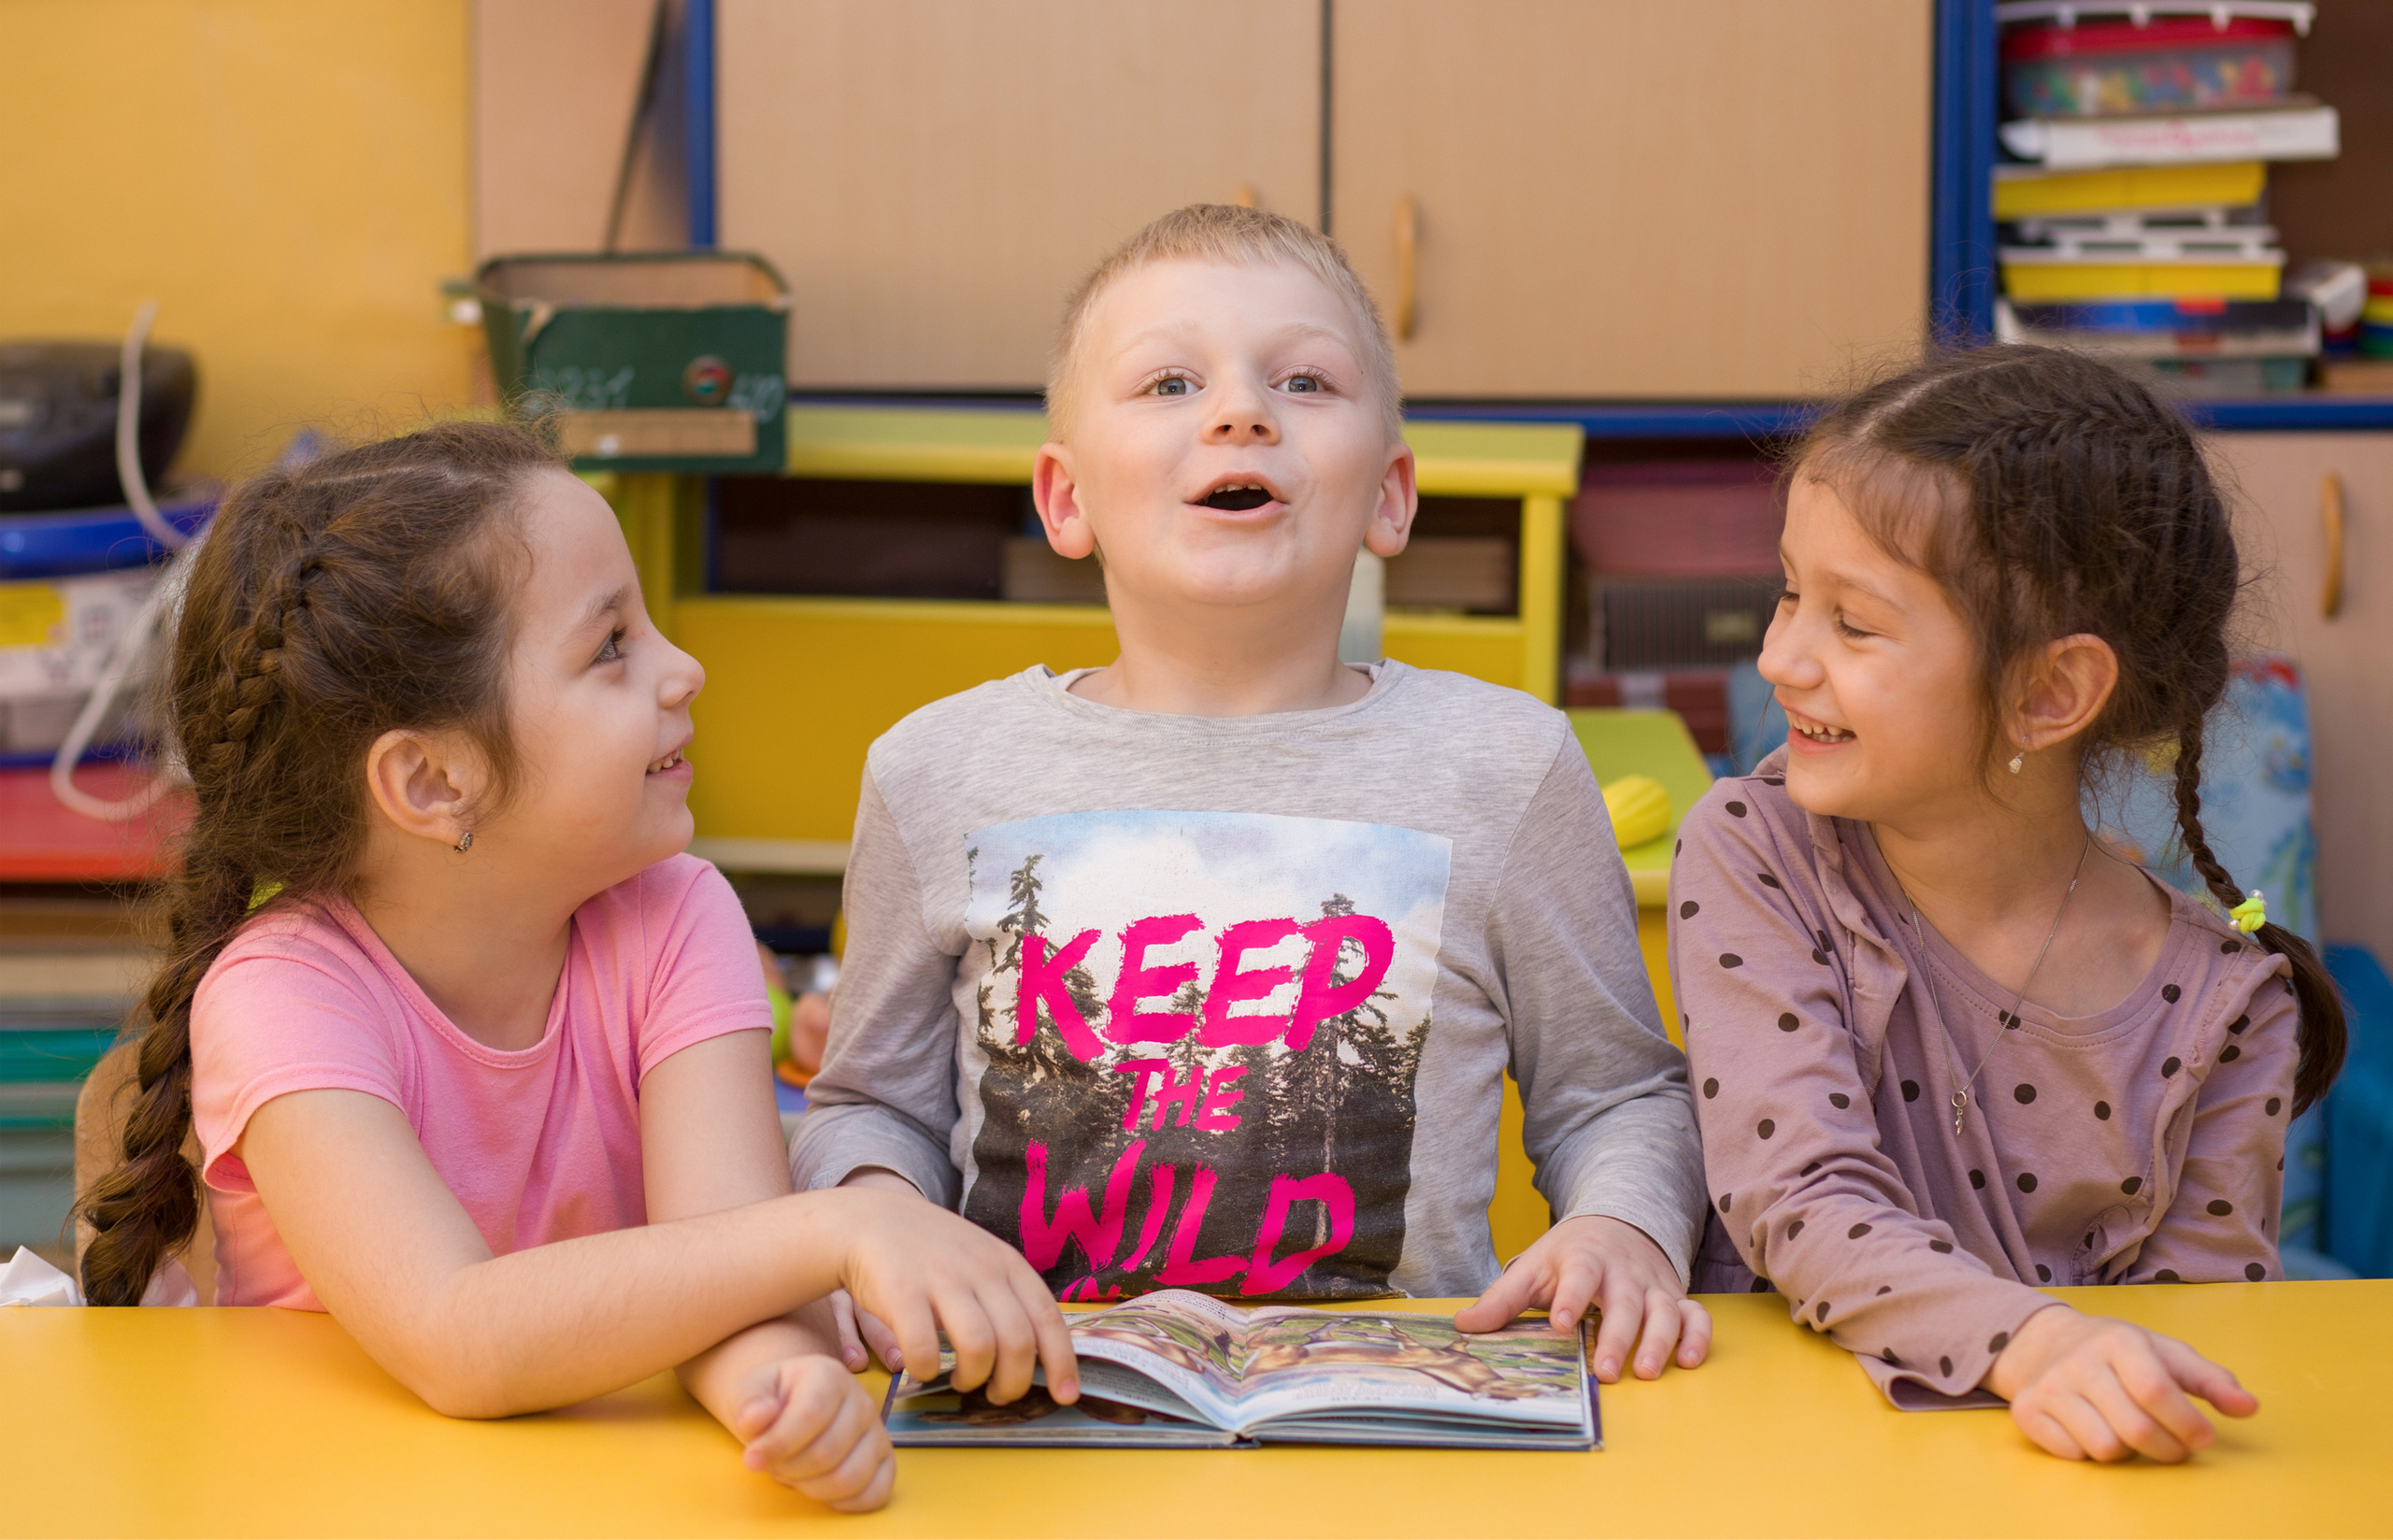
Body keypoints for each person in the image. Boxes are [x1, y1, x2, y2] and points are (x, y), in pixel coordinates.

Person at [74, 422, 1078, 1512]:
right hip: (339, 1500)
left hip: (602, 1497)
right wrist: (837, 1225)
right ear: (431, 780)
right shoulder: (283, 997)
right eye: (611, 646)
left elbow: (727, 1261)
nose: (683, 667)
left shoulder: (679, 916)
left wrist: (777, 1390)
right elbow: (460, 1332)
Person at [790, 204, 1711, 1384]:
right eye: (1168, 381)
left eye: (1305, 381)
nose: (1239, 411)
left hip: (1399, 1417)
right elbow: (869, 1107)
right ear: (1064, 499)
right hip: (1032, 1412)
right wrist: (879, 1211)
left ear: (1389, 494)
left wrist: (1621, 1227)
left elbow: (1622, 1093)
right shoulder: (931, 768)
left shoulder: (1509, 763)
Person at [1669, 345, 2346, 1462]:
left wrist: (2085, 1383)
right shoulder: (1758, 850)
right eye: (1791, 591)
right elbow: (1797, 1191)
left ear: (2048, 691)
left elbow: (2193, 1338)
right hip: (1780, 1461)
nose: (1779, 655)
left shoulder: (2231, 1011)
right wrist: (2032, 1342)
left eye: (1854, 623)